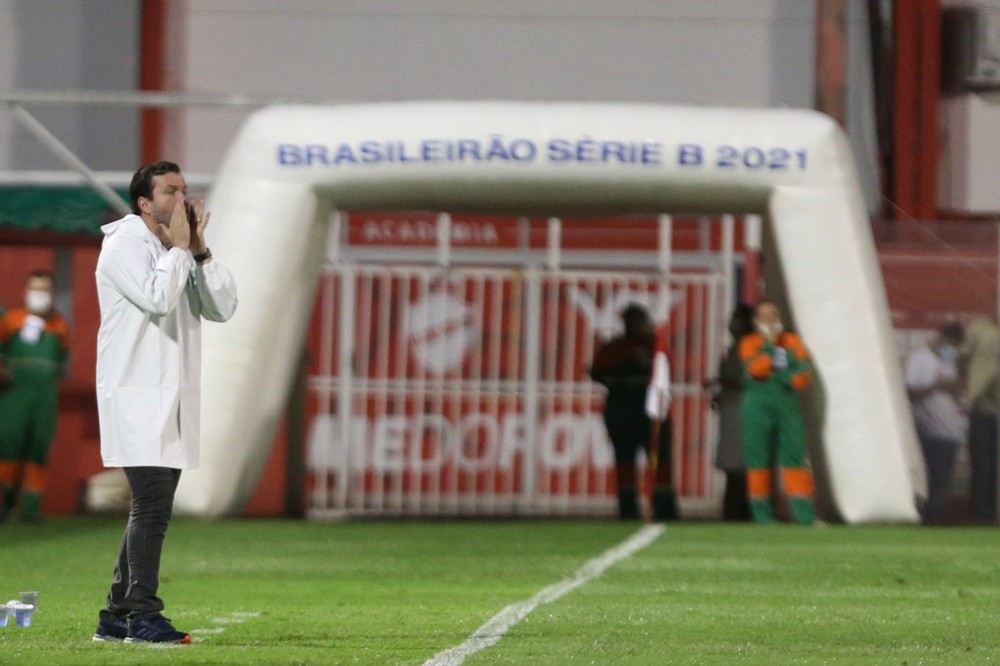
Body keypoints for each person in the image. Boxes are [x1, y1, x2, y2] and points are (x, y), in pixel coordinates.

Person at [91, 161, 238, 644]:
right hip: (135, 396)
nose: (183, 199)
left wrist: (199, 251)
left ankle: (115, 616)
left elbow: (221, 308)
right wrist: (178, 250)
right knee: (152, 506)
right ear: (145, 203)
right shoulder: (122, 246)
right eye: (171, 191)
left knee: (151, 507)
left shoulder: (174, 249)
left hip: (170, 398)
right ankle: (143, 615)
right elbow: (157, 297)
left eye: (185, 190)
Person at [590, 303, 677, 521]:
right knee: (625, 461)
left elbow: (665, 372)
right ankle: (628, 509)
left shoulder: (655, 347)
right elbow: (598, 372)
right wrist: (623, 381)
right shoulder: (616, 348)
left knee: (660, 461)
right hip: (623, 411)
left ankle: (664, 508)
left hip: (653, 413)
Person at [0, 270, 70, 522]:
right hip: (14, 394)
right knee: (8, 445)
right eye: (34, 288)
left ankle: (30, 509)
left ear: (51, 294)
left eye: (43, 289)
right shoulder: (11, 319)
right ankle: (3, 504)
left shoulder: (59, 325)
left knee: (39, 448)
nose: (38, 294)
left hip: (44, 397)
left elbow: (63, 358)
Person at [738, 299, 816, 525]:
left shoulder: (792, 341)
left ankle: (804, 516)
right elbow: (755, 368)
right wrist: (770, 346)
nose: (770, 320)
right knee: (758, 459)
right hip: (757, 407)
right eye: (764, 316)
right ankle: (763, 516)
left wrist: (779, 376)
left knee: (794, 456)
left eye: (774, 315)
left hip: (787, 406)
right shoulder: (749, 342)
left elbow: (802, 375)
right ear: (755, 321)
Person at [904, 323, 967, 524]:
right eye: (951, 345)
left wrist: (955, 388)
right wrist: (937, 386)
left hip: (949, 433)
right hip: (928, 431)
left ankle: (933, 522)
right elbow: (910, 392)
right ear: (940, 339)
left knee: (941, 484)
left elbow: (957, 391)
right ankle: (924, 523)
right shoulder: (921, 359)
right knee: (929, 484)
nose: (952, 350)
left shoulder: (949, 362)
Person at [707, 303, 754, 521]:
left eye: (737, 318)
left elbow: (747, 379)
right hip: (732, 410)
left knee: (741, 466)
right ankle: (734, 512)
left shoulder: (750, 348)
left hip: (744, 411)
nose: (732, 324)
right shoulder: (735, 348)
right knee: (734, 466)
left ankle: (740, 513)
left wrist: (725, 383)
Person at [958, 315, 999, 524]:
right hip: (982, 409)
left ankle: (991, 512)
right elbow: (961, 357)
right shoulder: (980, 329)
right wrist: (966, 385)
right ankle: (981, 514)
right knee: (983, 464)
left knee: (993, 466)